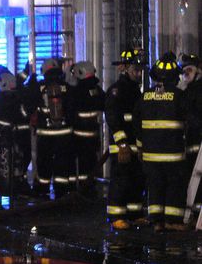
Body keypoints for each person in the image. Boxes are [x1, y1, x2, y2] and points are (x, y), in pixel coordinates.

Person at [134, 52, 189, 231]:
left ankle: (156, 220)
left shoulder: (145, 96)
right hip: (173, 153)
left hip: (150, 153)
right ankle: (172, 221)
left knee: (155, 185)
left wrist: (140, 147)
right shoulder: (180, 95)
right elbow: (190, 119)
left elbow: (137, 122)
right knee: (174, 185)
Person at [105, 50, 146, 229]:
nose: (138, 73)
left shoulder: (136, 90)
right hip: (121, 146)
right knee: (121, 181)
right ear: (125, 69)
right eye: (135, 70)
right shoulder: (116, 90)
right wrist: (121, 143)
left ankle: (134, 214)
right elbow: (113, 118)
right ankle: (116, 216)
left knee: (136, 180)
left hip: (135, 144)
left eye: (140, 70)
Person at [27, 58, 74, 197]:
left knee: (43, 162)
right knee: (62, 162)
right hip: (64, 133)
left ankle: (42, 190)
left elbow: (29, 104)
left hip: (45, 133)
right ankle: (62, 191)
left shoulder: (39, 86)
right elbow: (72, 108)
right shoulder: (67, 86)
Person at [0, 72, 29, 196]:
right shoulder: (17, 97)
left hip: (1, 139)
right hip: (14, 139)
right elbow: (24, 115)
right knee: (15, 164)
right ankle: (15, 187)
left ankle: (1, 188)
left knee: (0, 165)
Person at [69, 61, 105, 192]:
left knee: (80, 163)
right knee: (91, 162)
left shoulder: (77, 91)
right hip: (94, 133)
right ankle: (90, 187)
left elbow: (70, 109)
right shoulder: (96, 89)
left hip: (79, 135)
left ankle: (79, 190)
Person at [180, 53, 202, 219]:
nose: (186, 73)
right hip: (190, 143)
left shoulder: (197, 90)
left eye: (189, 70)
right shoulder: (187, 90)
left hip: (197, 142)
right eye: (184, 70)